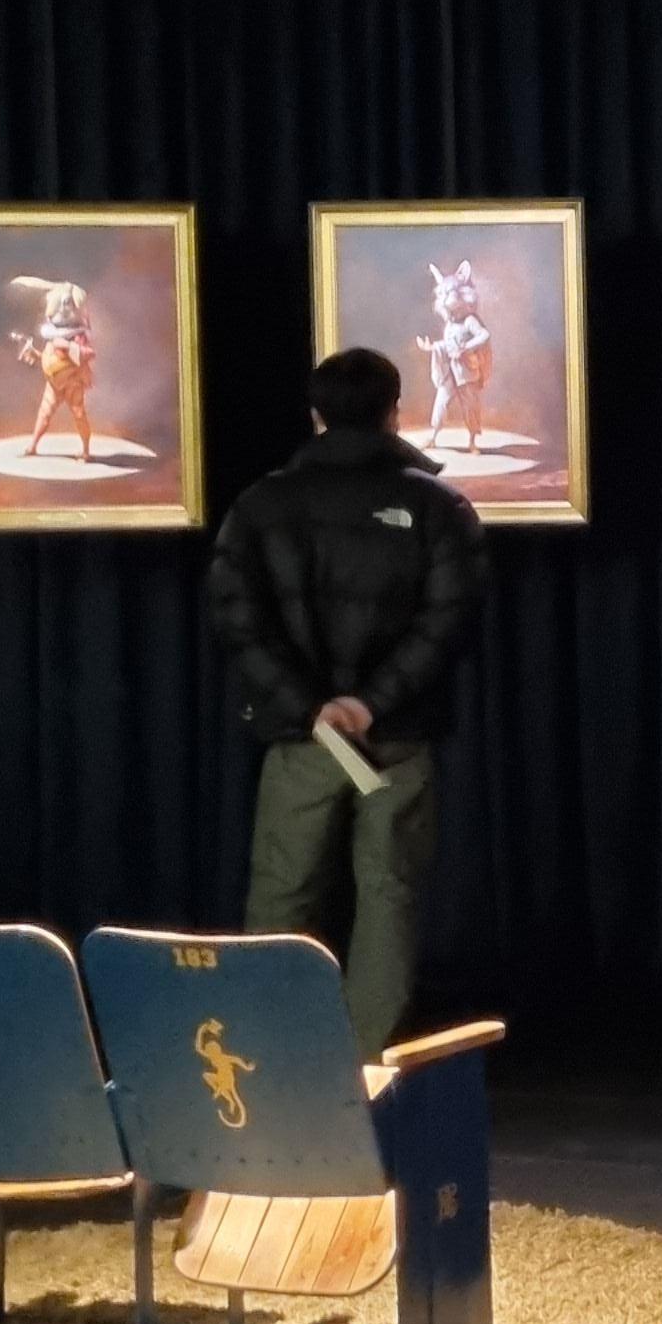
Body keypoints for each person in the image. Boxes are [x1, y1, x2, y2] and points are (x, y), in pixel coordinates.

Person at [206, 346, 485, 1057]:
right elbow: (449, 622)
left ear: (315, 415)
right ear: (396, 412)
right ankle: (367, 1065)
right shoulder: (438, 506)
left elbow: (237, 619)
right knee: (388, 894)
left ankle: (266, 1057)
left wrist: (312, 709)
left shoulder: (262, 504)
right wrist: (371, 703)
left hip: (304, 740)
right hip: (397, 737)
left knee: (282, 894)